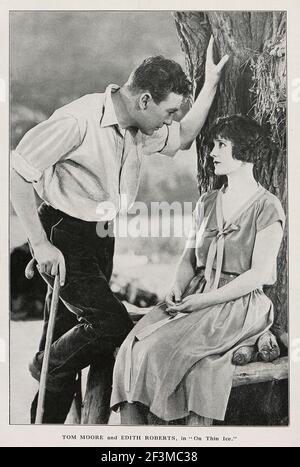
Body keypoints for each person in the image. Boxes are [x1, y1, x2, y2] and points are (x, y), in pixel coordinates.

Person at [10, 37, 228, 423]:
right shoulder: (79, 120)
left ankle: (42, 428)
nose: (171, 120)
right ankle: (42, 363)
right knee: (108, 328)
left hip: (102, 238)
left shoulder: (140, 127)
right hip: (63, 235)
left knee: (65, 332)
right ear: (144, 100)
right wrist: (41, 245)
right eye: (170, 111)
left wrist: (211, 83)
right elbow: (17, 174)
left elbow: (184, 137)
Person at [110, 115, 286, 425]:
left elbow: (258, 274)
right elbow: (188, 259)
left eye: (222, 145)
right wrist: (178, 287)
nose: (212, 153)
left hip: (237, 304)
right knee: (132, 346)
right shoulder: (207, 202)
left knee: (159, 350)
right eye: (213, 145)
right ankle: (136, 438)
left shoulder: (268, 206)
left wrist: (204, 301)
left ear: (245, 151)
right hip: (196, 295)